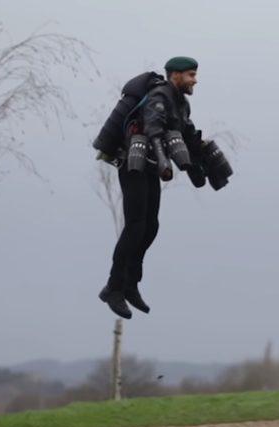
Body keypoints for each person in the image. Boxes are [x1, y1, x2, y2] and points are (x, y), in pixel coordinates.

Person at [97, 56, 205, 319]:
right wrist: (171, 162)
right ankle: (113, 288)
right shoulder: (159, 97)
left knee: (151, 226)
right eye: (190, 75)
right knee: (135, 225)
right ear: (175, 75)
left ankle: (131, 284)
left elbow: (188, 134)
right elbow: (154, 128)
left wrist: (202, 164)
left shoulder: (181, 104)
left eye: (195, 75)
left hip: (151, 167)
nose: (195, 80)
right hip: (133, 163)